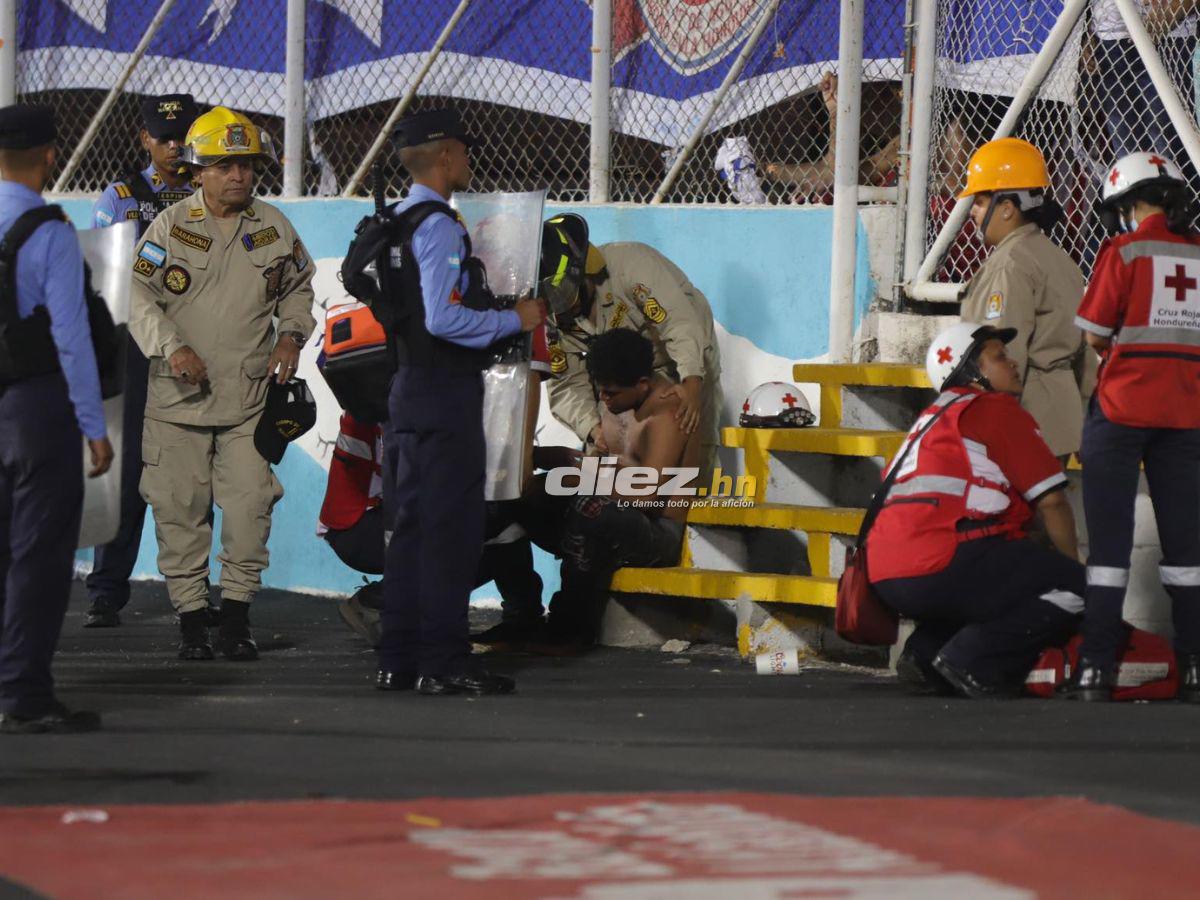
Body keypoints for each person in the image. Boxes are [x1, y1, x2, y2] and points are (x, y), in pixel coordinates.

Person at [129, 106, 316, 661]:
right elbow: (138, 296)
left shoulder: (274, 226)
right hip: (176, 401)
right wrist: (171, 344)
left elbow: (299, 290)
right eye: (225, 165)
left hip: (249, 401)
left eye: (247, 166)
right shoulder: (169, 226)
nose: (239, 176)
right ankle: (191, 621)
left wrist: (292, 337)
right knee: (178, 509)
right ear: (198, 171)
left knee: (249, 507)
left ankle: (236, 618)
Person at [375, 108, 545, 696]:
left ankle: (396, 657)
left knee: (410, 529)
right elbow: (444, 317)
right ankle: (443, 661)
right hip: (444, 392)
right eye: (465, 152)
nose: (469, 162)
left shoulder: (392, 219)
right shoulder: (440, 225)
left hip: (405, 387)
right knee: (451, 531)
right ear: (445, 156)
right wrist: (512, 318)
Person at [867, 322, 1084, 699]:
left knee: (1002, 573)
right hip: (941, 562)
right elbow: (1052, 502)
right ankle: (972, 658)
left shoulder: (929, 420)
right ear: (971, 372)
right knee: (1078, 586)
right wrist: (1070, 570)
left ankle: (924, 654)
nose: (1013, 363)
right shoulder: (993, 410)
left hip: (887, 573)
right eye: (999, 357)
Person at [1068, 151, 1200, 702]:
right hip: (1188, 415)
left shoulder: (1122, 250)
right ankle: (1195, 668)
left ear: (1127, 204)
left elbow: (1095, 334)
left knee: (1108, 549)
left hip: (1122, 413)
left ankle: (1096, 669)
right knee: (1189, 553)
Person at [0, 104, 113, 733]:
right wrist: (93, 425)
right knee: (37, 556)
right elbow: (71, 337)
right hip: (36, 408)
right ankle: (24, 693)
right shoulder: (48, 231)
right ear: (49, 156)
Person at [84, 93, 199, 629]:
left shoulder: (212, 193)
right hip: (134, 348)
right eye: (165, 136)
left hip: (196, 345)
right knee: (127, 471)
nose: (175, 145)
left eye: (184, 135)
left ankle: (193, 596)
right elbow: (106, 283)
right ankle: (106, 590)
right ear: (144, 139)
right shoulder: (121, 198)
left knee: (191, 475)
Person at [318, 410, 552, 649]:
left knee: (504, 521)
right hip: (361, 526)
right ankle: (381, 601)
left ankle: (524, 618)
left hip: (376, 518)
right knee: (491, 513)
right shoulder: (400, 401)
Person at [536, 329, 698, 651]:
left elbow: (646, 494)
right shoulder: (618, 401)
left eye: (611, 393)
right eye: (600, 391)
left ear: (642, 384)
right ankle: (521, 615)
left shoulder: (668, 413)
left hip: (659, 532)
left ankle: (571, 629)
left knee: (587, 507)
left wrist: (575, 466)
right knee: (527, 496)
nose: (604, 400)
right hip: (615, 515)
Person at [539, 213, 721, 474]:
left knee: (692, 438)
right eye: (552, 301)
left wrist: (691, 382)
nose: (563, 309)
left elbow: (679, 324)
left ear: (584, 272)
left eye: (566, 294)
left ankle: (698, 505)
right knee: (611, 456)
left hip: (682, 352)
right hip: (623, 374)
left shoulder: (631, 265)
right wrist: (594, 429)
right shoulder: (548, 313)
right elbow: (566, 383)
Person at [956, 137, 1092, 460]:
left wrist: (986, 425)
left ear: (1006, 208)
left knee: (1018, 511)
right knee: (1047, 506)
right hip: (1059, 416)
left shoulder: (1012, 263)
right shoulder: (1060, 259)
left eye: (980, 200)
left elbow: (1002, 354)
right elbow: (1084, 352)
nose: (972, 210)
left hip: (1023, 418)